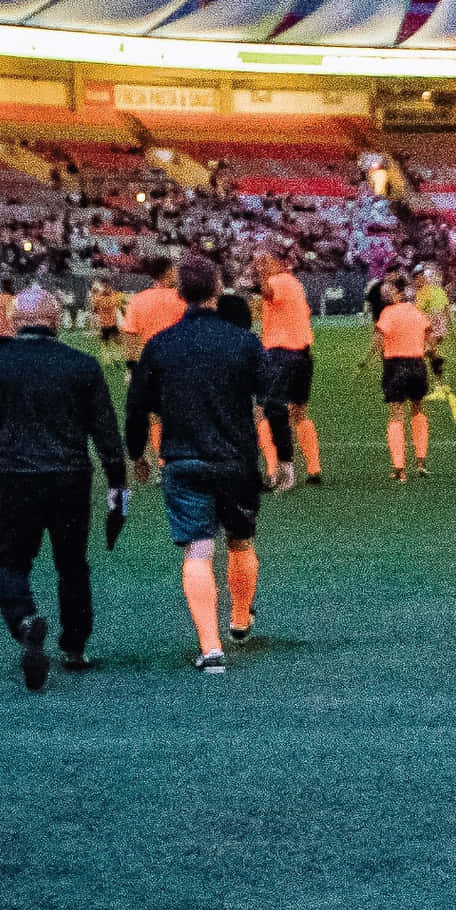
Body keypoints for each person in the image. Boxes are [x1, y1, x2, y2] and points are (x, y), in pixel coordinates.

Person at [0, 285, 127, 690]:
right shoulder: (82, 365)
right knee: (72, 564)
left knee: (9, 562)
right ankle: (74, 646)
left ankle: (26, 620)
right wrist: (117, 482)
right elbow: (105, 430)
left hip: (16, 477)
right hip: (70, 476)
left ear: (16, 322)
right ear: (56, 321)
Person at [125, 256, 266, 673]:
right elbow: (270, 400)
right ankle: (240, 620)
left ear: (180, 294)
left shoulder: (160, 346)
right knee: (240, 540)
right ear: (218, 290)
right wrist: (286, 457)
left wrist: (137, 455)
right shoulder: (243, 342)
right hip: (236, 459)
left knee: (199, 549)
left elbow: (136, 409)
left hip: (183, 459)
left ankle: (211, 647)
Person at [253, 253, 321, 491]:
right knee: (300, 412)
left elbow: (268, 293)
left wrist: (261, 274)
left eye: (267, 261)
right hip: (303, 354)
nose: (263, 265)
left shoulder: (278, 281)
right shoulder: (295, 284)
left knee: (263, 411)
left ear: (279, 264)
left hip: (280, 354)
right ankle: (314, 469)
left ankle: (275, 471)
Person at [121, 256, 183, 474]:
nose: (177, 274)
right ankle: (175, 460)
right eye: (174, 270)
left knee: (151, 415)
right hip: (177, 365)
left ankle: (160, 463)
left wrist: (131, 366)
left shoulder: (138, 299)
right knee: (176, 415)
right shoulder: (180, 298)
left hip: (148, 366)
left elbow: (130, 335)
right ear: (167, 273)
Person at [370, 278, 435, 480]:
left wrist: (368, 358)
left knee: (396, 415)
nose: (386, 294)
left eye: (390, 290)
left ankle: (399, 468)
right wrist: (430, 354)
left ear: (397, 294)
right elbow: (430, 339)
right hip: (417, 364)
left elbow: (378, 340)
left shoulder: (388, 313)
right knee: (418, 410)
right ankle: (421, 462)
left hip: (395, 366)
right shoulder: (416, 312)